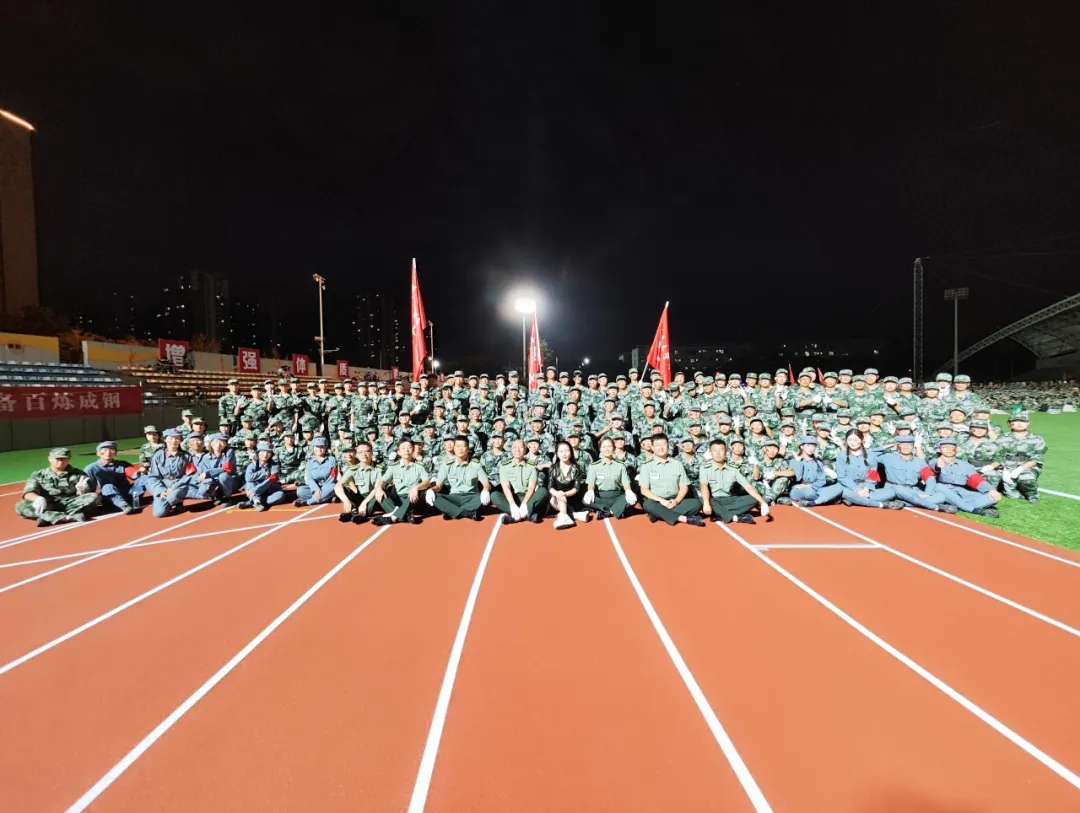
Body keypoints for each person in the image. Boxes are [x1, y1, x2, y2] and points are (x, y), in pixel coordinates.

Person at [15, 447, 97, 526]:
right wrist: (38, 498)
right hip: (47, 504)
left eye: (64, 459)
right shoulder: (38, 475)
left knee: (94, 497)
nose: (61, 461)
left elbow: (87, 494)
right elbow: (28, 492)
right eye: (57, 459)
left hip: (71, 504)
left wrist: (82, 491)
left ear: (69, 459)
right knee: (21, 506)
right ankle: (67, 517)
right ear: (50, 458)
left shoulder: (79, 474)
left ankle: (47, 517)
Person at [636, 434, 705, 526]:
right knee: (648, 504)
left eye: (663, 444)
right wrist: (661, 501)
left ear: (668, 446)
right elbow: (644, 490)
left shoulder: (677, 464)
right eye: (657, 445)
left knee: (696, 503)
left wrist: (676, 501)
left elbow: (684, 487)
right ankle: (684, 519)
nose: (661, 448)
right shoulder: (646, 466)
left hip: (675, 501)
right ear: (652, 447)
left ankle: (658, 515)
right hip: (656, 501)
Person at [877, 436, 956, 512]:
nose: (906, 447)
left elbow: (930, 477)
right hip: (893, 489)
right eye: (903, 444)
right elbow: (871, 456)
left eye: (909, 445)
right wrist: (884, 447)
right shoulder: (888, 457)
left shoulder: (919, 461)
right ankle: (919, 503)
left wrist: (927, 493)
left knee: (941, 497)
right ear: (898, 446)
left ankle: (903, 503)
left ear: (913, 447)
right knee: (895, 492)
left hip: (912, 490)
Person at [699, 439, 769, 524]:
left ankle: (719, 513)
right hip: (713, 500)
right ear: (710, 453)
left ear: (726, 452)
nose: (718, 453)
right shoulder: (705, 467)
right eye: (715, 450)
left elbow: (747, 486)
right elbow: (704, 486)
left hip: (729, 499)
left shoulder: (733, 468)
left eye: (721, 450)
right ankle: (735, 517)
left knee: (754, 499)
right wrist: (706, 503)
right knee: (702, 499)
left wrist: (763, 502)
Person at [932, 437, 1002, 517]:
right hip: (943, 491)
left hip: (961, 491)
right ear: (939, 449)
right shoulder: (934, 461)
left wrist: (991, 490)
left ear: (956, 449)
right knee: (938, 486)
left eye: (952, 447)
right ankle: (973, 510)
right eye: (945, 447)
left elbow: (975, 479)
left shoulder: (965, 465)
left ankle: (954, 506)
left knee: (993, 497)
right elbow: (934, 468)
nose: (948, 449)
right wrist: (938, 465)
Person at [426, 435, 491, 521]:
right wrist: (431, 490)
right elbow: (438, 486)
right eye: (457, 446)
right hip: (454, 498)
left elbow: (486, 484)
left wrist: (485, 490)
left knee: (489, 496)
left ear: (468, 448)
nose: (460, 449)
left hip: (471, 497)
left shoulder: (476, 465)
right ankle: (467, 513)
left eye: (463, 446)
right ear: (454, 448)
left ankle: (451, 511)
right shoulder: (447, 465)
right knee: (435, 497)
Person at [835, 430, 904, 509]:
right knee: (845, 493)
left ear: (862, 440)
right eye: (849, 440)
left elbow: (872, 475)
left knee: (891, 492)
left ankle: (854, 500)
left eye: (855, 440)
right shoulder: (841, 455)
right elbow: (841, 477)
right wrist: (857, 490)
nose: (852, 443)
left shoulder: (871, 455)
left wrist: (866, 489)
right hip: (848, 487)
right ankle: (882, 504)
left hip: (865, 487)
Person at [373, 439, 431, 525]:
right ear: (399, 452)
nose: (406, 450)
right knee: (379, 494)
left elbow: (426, 482)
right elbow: (383, 480)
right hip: (398, 499)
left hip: (412, 498)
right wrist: (379, 489)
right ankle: (405, 515)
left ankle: (393, 517)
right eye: (403, 448)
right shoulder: (393, 466)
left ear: (413, 450)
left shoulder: (420, 466)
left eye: (409, 447)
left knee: (420, 491)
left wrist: (416, 488)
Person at [492, 438, 550, 524]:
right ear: (511, 450)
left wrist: (524, 504)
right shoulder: (504, 466)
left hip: (529, 498)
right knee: (494, 495)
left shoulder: (531, 466)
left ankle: (517, 516)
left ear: (525, 449)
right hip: (513, 497)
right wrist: (512, 505)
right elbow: (506, 487)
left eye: (520, 447)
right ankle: (525, 514)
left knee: (543, 491)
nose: (517, 450)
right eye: (515, 447)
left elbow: (531, 487)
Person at [996, 408, 1046, 503]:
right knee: (1012, 495)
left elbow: (1037, 457)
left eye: (1022, 421)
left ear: (1028, 423)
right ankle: (1004, 486)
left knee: (1026, 478)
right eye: (1015, 421)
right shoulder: (1002, 438)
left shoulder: (1037, 439)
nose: (1019, 423)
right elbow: (998, 456)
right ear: (1009, 423)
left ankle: (1032, 495)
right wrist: (1004, 470)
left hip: (1027, 467)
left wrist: (1021, 468)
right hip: (1006, 467)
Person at [146, 428, 197, 518]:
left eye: (177, 438)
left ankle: (177, 500)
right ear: (165, 440)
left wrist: (175, 487)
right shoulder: (158, 456)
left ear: (180, 440)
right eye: (170, 438)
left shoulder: (186, 456)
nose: (174, 441)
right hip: (164, 484)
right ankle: (168, 501)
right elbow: (154, 476)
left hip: (179, 484)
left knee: (173, 496)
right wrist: (161, 491)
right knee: (159, 513)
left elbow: (190, 475)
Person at [583, 436, 638, 519]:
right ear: (600, 449)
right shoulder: (594, 466)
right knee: (585, 500)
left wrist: (628, 491)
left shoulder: (620, 465)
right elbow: (591, 483)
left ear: (614, 448)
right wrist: (590, 491)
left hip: (617, 496)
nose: (607, 449)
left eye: (609, 446)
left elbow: (626, 482)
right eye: (604, 447)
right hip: (601, 497)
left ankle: (607, 512)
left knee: (634, 497)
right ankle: (617, 509)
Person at [334, 442, 383, 524]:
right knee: (345, 489)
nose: (364, 454)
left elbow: (377, 488)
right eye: (360, 452)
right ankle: (354, 512)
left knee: (379, 494)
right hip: (360, 497)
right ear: (356, 455)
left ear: (371, 453)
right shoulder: (353, 469)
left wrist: (364, 503)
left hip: (372, 497)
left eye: (367, 451)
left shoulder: (379, 468)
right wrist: (346, 500)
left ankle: (355, 513)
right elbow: (338, 485)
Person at [84, 440, 137, 514]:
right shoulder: (91, 469)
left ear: (116, 453)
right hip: (110, 497)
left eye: (111, 449)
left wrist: (142, 472)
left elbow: (136, 475)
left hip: (128, 494)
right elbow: (89, 489)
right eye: (104, 450)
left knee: (145, 478)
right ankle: (124, 506)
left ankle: (152, 499)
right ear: (98, 453)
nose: (108, 452)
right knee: (107, 486)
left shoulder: (123, 464)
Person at [547, 440, 591, 529]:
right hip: (556, 498)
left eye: (567, 451)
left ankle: (563, 516)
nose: (564, 454)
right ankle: (574, 515)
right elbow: (550, 487)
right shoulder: (553, 468)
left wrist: (564, 494)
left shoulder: (576, 468)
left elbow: (576, 488)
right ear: (557, 454)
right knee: (557, 496)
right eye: (561, 451)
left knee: (561, 496)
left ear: (571, 453)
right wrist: (558, 494)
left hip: (572, 498)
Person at [789, 437, 844, 507]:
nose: (811, 448)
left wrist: (811, 486)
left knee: (839, 487)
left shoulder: (818, 463)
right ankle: (825, 499)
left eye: (813, 446)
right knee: (809, 492)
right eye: (808, 445)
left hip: (814, 488)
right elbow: (798, 477)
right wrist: (798, 462)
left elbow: (821, 481)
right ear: (801, 446)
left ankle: (814, 502)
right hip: (798, 490)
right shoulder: (794, 461)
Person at [238, 441, 285, 511]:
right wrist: (264, 473)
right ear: (258, 453)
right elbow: (248, 478)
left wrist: (255, 490)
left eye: (268, 452)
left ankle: (253, 502)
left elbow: (272, 480)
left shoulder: (274, 466)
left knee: (280, 495)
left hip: (269, 489)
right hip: (254, 488)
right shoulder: (251, 466)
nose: (265, 454)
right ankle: (257, 502)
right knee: (249, 483)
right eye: (262, 452)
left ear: (271, 454)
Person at [294, 437, 338, 506]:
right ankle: (327, 498)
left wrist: (323, 489)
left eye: (322, 447)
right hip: (316, 487)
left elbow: (333, 476)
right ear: (313, 448)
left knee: (333, 487)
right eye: (317, 447)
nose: (319, 449)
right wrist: (316, 490)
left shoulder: (332, 460)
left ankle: (308, 502)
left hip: (328, 485)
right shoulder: (309, 463)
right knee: (300, 490)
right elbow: (310, 479)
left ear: (325, 448)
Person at [200, 433, 240, 505]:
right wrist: (210, 481)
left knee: (223, 476)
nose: (218, 445)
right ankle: (217, 495)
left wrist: (209, 473)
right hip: (214, 481)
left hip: (230, 480)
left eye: (222, 442)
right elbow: (203, 473)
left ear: (225, 444)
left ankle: (228, 498)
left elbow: (226, 468)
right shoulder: (205, 457)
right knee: (202, 491)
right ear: (211, 443)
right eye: (216, 442)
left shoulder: (229, 452)